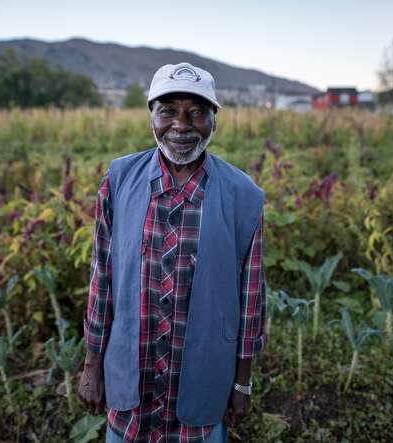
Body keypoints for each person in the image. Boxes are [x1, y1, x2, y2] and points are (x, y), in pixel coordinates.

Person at [77, 62, 267, 443]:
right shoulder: (118, 181)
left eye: (196, 112)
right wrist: (92, 366)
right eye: (168, 111)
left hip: (203, 385)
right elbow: (102, 281)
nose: (181, 124)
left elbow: (250, 299)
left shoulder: (243, 196)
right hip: (132, 382)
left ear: (214, 121)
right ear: (152, 117)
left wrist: (242, 383)